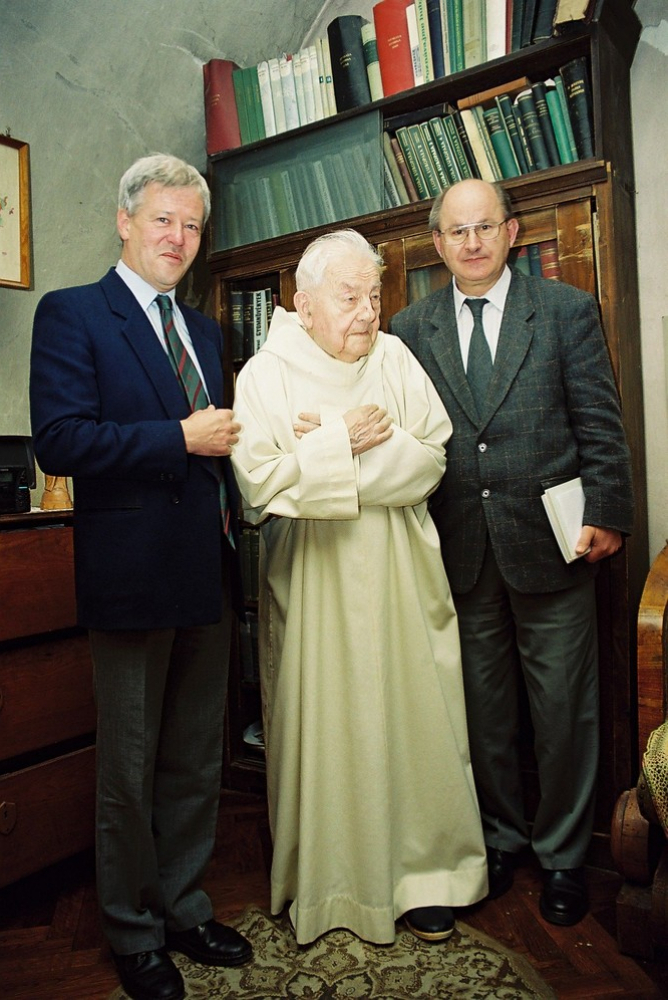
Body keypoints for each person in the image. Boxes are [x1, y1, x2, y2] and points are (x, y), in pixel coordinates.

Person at [29, 153, 252, 1000]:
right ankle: (131, 931)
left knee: (194, 760)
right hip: (129, 576)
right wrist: (178, 439)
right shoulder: (73, 313)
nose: (178, 238)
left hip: (207, 568)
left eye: (191, 225)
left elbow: (223, 448)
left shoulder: (204, 331)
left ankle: (185, 908)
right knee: (129, 767)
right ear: (124, 222)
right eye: (163, 219)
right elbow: (61, 440)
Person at [230, 229, 488, 947]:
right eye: (350, 298)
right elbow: (261, 484)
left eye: (373, 296)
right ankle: (332, 883)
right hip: (313, 583)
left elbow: (430, 462)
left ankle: (427, 876)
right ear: (305, 304)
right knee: (329, 727)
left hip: (402, 573)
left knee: (415, 719)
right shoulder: (265, 375)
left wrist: (335, 453)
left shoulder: (395, 358)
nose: (368, 312)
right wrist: (340, 440)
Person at [389, 178, 634, 927]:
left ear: (511, 232)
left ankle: (562, 857)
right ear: (437, 243)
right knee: (481, 714)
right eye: (456, 231)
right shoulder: (408, 327)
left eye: (484, 227)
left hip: (554, 546)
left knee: (563, 713)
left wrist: (607, 512)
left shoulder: (563, 310)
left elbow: (599, 419)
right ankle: (497, 841)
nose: (472, 242)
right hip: (457, 551)